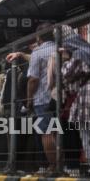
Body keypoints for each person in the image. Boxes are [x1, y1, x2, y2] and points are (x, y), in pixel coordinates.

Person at [25, 23, 57, 172]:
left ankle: (54, 165)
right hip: (61, 97)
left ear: (39, 37)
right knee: (61, 131)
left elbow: (33, 79)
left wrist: (29, 99)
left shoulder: (38, 52)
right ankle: (66, 163)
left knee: (46, 132)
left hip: (43, 98)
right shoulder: (59, 48)